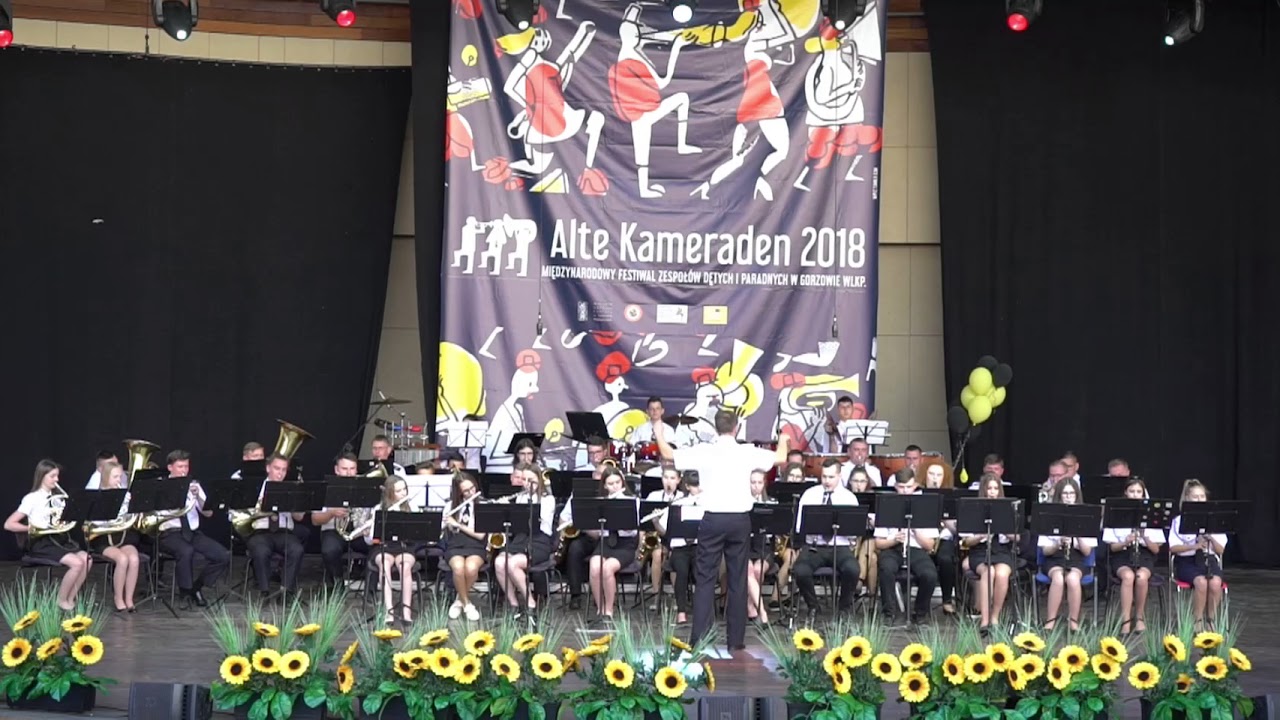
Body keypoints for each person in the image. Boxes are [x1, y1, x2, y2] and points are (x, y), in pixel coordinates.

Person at [655, 409, 788, 650]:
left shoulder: (704, 450)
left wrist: (658, 430)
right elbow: (781, 457)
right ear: (736, 428)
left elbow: (667, 453)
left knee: (705, 578)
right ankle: (735, 640)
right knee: (738, 578)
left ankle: (699, 638)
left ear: (715, 428)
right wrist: (784, 438)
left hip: (713, 519)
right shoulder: (747, 452)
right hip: (739, 521)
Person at [5, 460, 92, 611]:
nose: (56, 480)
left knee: (87, 559)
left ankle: (70, 598)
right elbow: (9, 524)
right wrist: (30, 528)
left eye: (57, 476)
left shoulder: (58, 498)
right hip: (41, 542)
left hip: (59, 539)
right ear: (42, 476)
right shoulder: (31, 498)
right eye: (52, 476)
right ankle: (61, 600)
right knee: (77, 563)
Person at [157, 450, 229, 608]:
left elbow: (208, 513)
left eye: (186, 466)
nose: (184, 470)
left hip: (192, 532)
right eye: (180, 467)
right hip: (170, 533)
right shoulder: (161, 486)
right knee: (186, 551)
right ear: (170, 467)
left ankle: (196, 587)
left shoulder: (194, 485)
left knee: (222, 555)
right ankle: (185, 592)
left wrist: (198, 497)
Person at [792, 458, 860, 620]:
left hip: (840, 546)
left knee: (852, 569)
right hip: (815, 546)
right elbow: (799, 527)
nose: (827, 481)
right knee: (800, 570)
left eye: (831, 477)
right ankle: (813, 607)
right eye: (824, 476)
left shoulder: (849, 498)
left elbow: (854, 533)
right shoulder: (810, 494)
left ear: (839, 476)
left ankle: (844, 609)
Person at [874, 471, 938, 624]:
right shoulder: (886, 505)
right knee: (886, 569)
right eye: (901, 487)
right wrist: (894, 540)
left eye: (908, 487)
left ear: (915, 486)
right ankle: (889, 613)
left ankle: (920, 613)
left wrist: (915, 529)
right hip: (892, 549)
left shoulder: (925, 507)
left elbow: (930, 545)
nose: (905, 491)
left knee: (929, 574)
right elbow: (878, 543)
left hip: (916, 549)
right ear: (896, 486)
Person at [493, 463, 556, 619]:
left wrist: (516, 509)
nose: (528, 484)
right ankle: (514, 604)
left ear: (539, 480)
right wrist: (505, 510)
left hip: (539, 541)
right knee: (499, 563)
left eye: (531, 480)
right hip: (520, 539)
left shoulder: (548, 499)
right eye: (525, 480)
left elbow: (540, 520)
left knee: (513, 564)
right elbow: (516, 524)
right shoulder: (520, 497)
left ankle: (530, 603)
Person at [1104, 478, 1163, 636]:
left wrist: (1145, 537)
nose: (1135, 495)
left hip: (1144, 554)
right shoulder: (1115, 513)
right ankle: (1125, 620)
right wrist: (1126, 541)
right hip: (1122, 554)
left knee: (1141, 577)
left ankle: (1139, 617)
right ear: (1126, 493)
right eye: (1132, 491)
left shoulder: (1152, 514)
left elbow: (1156, 549)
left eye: (1138, 492)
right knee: (1128, 576)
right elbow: (1112, 547)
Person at [960, 474, 1017, 635]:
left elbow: (1018, 538)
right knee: (989, 572)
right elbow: (966, 542)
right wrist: (980, 536)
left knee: (1002, 574)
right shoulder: (973, 510)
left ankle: (995, 617)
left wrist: (1005, 528)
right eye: (989, 488)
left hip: (1002, 550)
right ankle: (984, 620)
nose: (992, 492)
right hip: (980, 551)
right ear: (983, 490)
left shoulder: (1008, 509)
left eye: (995, 488)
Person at [245, 453, 306, 599]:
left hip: (283, 532)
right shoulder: (256, 487)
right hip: (260, 531)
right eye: (277, 468)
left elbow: (299, 517)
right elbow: (246, 514)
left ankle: (286, 592)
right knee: (260, 551)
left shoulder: (290, 488)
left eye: (284, 470)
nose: (280, 473)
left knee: (297, 549)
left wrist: (297, 500)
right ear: (268, 468)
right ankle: (264, 592)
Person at [1168, 479, 1226, 630]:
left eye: (1202, 496)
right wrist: (1194, 546)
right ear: (1187, 498)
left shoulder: (1214, 518)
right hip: (1187, 561)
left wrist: (1210, 537)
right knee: (1201, 582)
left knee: (1215, 583)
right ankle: (1197, 621)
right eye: (1195, 497)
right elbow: (1173, 548)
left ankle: (1211, 619)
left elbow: (1220, 551)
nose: (1199, 500)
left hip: (1208, 559)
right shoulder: (1178, 521)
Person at [86, 461, 143, 612]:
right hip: (103, 537)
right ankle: (118, 598)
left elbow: (130, 518)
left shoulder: (125, 494)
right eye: (115, 477)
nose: (119, 480)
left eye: (120, 477)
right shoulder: (97, 497)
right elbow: (94, 522)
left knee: (134, 559)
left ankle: (129, 598)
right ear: (106, 477)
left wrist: (132, 507)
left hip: (122, 535)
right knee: (122, 559)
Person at [586, 467, 640, 623]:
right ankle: (600, 608)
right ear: (605, 486)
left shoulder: (632, 502)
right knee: (594, 566)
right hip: (606, 543)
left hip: (625, 545)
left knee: (607, 568)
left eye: (617, 482)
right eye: (611, 484)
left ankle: (609, 611)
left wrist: (620, 519)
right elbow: (598, 532)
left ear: (622, 482)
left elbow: (633, 530)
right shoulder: (600, 503)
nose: (615, 486)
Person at [1038, 478, 1093, 631]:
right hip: (1054, 558)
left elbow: (1087, 552)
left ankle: (1073, 621)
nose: (1068, 497)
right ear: (1059, 496)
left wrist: (1077, 534)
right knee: (1058, 578)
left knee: (1073, 579)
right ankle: (1050, 620)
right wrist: (1058, 542)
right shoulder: (1049, 516)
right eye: (1065, 494)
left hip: (1076, 558)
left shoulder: (1085, 517)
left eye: (1072, 493)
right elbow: (1045, 551)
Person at [311, 452, 364, 587]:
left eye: (352, 469)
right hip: (333, 530)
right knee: (329, 550)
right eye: (344, 469)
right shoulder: (325, 488)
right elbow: (315, 520)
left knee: (378, 548)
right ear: (336, 470)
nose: (349, 473)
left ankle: (370, 588)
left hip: (359, 532)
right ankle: (337, 586)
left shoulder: (365, 487)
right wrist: (331, 513)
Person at [655, 472, 701, 625]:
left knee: (701, 571)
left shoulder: (709, 503)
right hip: (680, 548)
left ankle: (703, 610)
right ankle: (681, 611)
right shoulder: (677, 504)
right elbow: (665, 531)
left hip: (700, 547)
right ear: (687, 486)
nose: (698, 489)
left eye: (700, 485)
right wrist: (656, 522)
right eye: (694, 485)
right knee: (681, 570)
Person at [370, 476, 416, 625]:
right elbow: (371, 538)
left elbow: (417, 534)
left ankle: (406, 611)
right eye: (398, 491)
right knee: (385, 565)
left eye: (404, 489)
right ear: (390, 493)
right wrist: (368, 532)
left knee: (405, 567)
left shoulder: (412, 507)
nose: (403, 493)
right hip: (384, 546)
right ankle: (388, 610)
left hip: (404, 547)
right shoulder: (379, 509)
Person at [443, 472, 486, 620]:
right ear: (459, 492)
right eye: (466, 491)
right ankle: (467, 604)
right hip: (455, 545)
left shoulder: (483, 505)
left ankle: (458, 601)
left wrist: (458, 525)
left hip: (476, 545)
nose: (471, 493)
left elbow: (480, 535)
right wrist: (447, 524)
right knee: (458, 568)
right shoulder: (450, 506)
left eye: (472, 488)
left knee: (471, 568)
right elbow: (444, 530)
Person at [920, 459, 958, 616]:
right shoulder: (919, 496)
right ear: (925, 476)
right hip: (923, 538)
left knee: (946, 559)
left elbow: (957, 530)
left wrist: (945, 520)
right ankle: (922, 604)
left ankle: (947, 600)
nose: (935, 478)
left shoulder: (952, 497)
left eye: (939, 475)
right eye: (931, 474)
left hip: (944, 538)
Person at [643, 465, 684, 605]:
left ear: (678, 480)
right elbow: (643, 522)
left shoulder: (682, 498)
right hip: (657, 537)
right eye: (665, 477)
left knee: (676, 556)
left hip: (676, 538)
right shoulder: (653, 496)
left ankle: (677, 598)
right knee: (657, 554)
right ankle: (656, 595)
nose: (668, 481)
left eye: (672, 478)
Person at [747, 470, 774, 626]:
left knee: (758, 570)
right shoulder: (741, 505)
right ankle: (762, 612)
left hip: (764, 545)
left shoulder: (771, 504)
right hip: (745, 545)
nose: (756, 486)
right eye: (753, 482)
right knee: (749, 571)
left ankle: (750, 604)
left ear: (764, 484)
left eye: (759, 482)